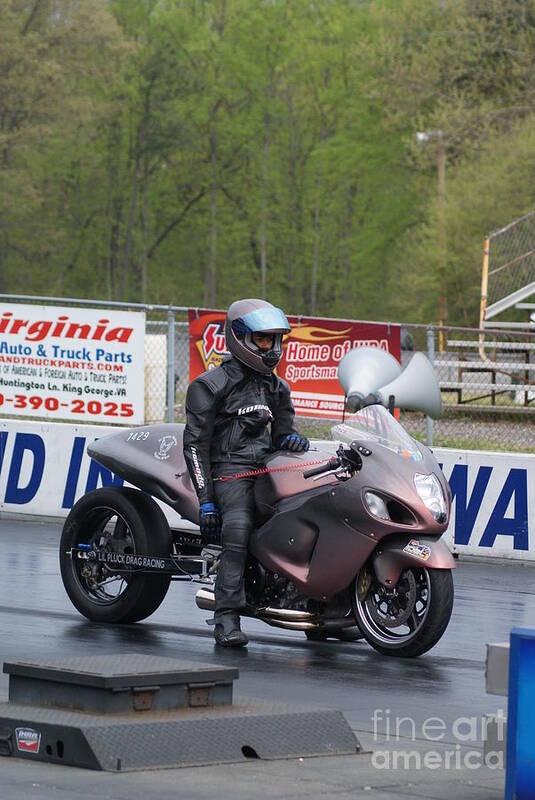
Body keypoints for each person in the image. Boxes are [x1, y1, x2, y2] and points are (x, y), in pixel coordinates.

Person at [183, 299, 310, 647]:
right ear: (241, 338)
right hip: (229, 474)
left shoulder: (277, 388)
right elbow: (195, 445)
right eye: (264, 340)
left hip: (269, 471)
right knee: (237, 528)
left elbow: (283, 432)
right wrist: (206, 500)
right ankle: (226, 618)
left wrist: (292, 440)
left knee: (309, 514)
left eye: (276, 340)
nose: (272, 349)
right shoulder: (210, 385)